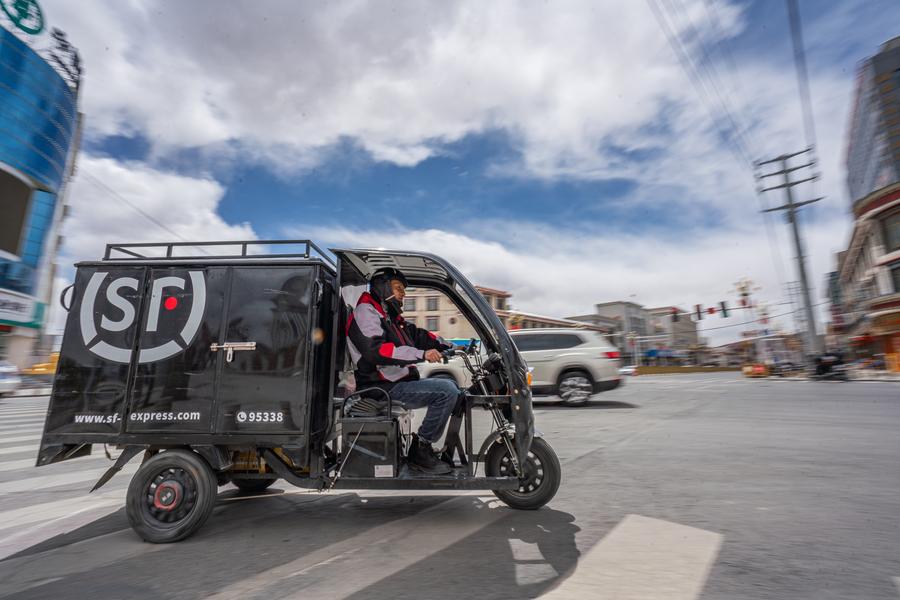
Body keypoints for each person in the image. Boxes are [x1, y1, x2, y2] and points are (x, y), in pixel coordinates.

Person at [345, 267, 460, 475]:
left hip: (394, 383)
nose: (403, 294)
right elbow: (376, 351)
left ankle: (426, 448)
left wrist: (449, 345)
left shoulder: (388, 315)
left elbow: (418, 335)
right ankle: (422, 450)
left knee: (452, 386)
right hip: (379, 387)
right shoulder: (366, 312)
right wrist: (421, 354)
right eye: (398, 288)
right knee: (446, 391)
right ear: (383, 287)